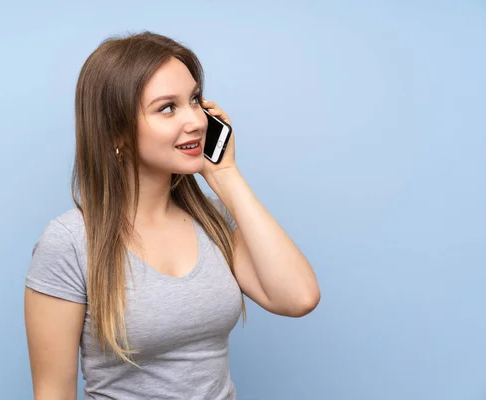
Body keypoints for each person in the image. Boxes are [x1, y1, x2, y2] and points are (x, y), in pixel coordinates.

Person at [24, 31, 320, 400]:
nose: (195, 121)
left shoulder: (213, 223)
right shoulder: (70, 242)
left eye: (195, 100)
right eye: (168, 107)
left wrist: (224, 175)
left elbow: (298, 297)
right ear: (118, 132)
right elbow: (53, 392)